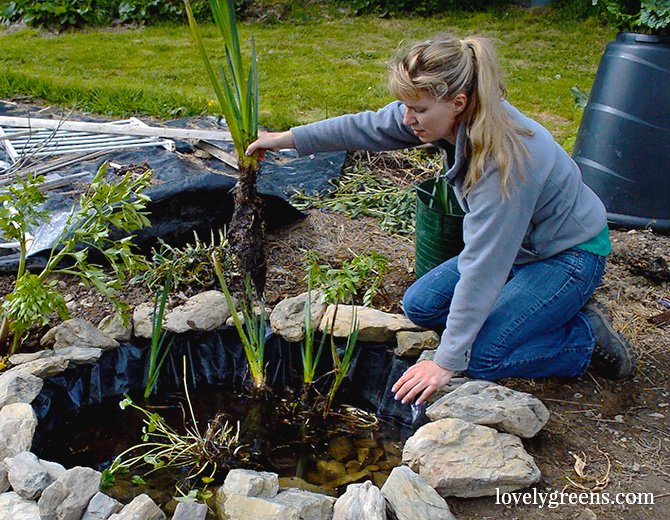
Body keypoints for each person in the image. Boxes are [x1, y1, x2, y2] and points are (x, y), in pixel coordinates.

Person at [246, 34, 634, 406]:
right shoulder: (444, 113)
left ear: (459, 102)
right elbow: (364, 127)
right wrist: (286, 138)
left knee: (480, 358)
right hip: (522, 249)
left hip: (568, 255)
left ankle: (584, 337)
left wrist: (446, 361)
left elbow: (483, 267)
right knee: (422, 305)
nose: (407, 118)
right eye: (405, 106)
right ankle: (535, 307)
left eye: (418, 110)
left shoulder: (504, 164)